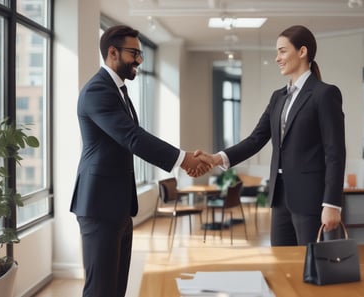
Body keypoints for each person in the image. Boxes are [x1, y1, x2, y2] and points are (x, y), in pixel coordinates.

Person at [70, 25, 210, 297]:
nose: (140, 60)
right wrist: (183, 159)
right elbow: (133, 137)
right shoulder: (98, 91)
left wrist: (182, 159)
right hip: (99, 206)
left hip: (118, 206)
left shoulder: (118, 90)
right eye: (134, 53)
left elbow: (133, 138)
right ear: (112, 52)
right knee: (100, 290)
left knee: (116, 288)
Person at [196, 25, 346, 246]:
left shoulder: (324, 94)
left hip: (310, 198)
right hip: (279, 197)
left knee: (309, 266)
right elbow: (256, 139)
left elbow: (335, 152)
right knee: (280, 264)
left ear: (302, 51)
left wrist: (332, 204)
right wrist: (217, 158)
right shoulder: (278, 97)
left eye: (282, 51)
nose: (277, 58)